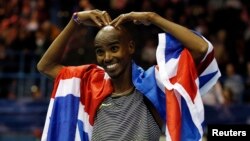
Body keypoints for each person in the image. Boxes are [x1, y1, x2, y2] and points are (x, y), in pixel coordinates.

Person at [37, 10, 220, 141]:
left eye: (114, 48)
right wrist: (75, 20)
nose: (107, 57)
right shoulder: (91, 85)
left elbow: (201, 48)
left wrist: (152, 18)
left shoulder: (153, 86)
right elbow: (46, 66)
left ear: (130, 47)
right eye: (100, 51)